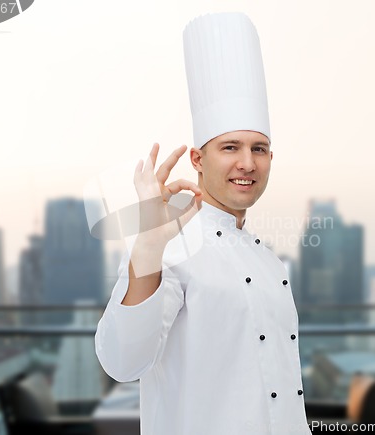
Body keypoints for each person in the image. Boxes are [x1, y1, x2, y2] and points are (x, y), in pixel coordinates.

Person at [95, 12, 311, 435]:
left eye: (260, 149)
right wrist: (146, 249)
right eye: (230, 147)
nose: (247, 163)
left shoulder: (270, 263)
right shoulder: (169, 244)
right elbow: (122, 362)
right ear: (197, 159)